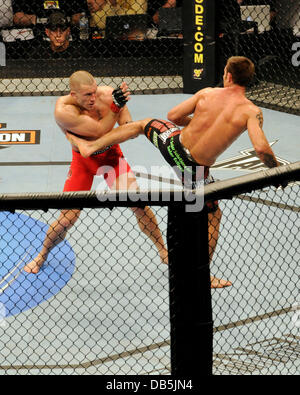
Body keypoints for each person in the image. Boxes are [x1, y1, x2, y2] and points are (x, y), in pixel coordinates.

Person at [66, 56, 285, 289]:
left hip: (172, 144)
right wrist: (278, 172)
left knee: (144, 124)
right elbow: (261, 149)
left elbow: (173, 117)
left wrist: (198, 123)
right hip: (193, 169)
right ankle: (201, 274)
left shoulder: (207, 93)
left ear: (227, 76)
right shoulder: (252, 112)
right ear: (248, 80)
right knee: (212, 216)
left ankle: (91, 146)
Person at [23, 70, 168, 274]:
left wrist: (118, 109)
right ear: (74, 95)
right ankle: (41, 256)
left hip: (111, 157)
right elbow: (99, 131)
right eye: (87, 95)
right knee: (66, 219)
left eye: (94, 91)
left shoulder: (108, 95)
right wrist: (114, 110)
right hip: (83, 163)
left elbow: (129, 129)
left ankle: (163, 250)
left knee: (139, 205)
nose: (93, 98)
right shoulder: (63, 110)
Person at [12, 0, 85, 27]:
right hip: (37, 34)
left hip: (67, 32)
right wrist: (37, 20)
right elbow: (17, 18)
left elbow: (81, 16)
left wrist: (70, 19)